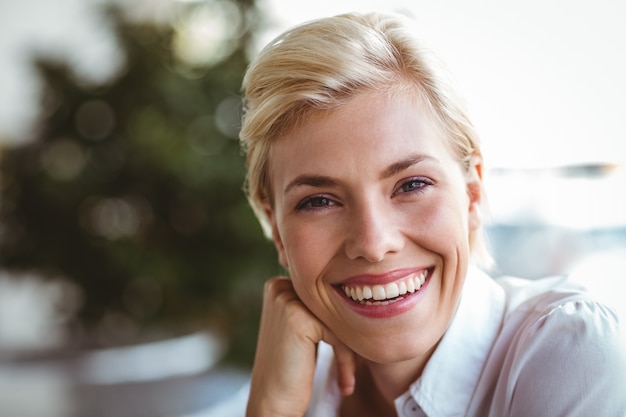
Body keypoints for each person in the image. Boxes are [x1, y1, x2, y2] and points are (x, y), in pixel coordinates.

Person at [238, 11, 626, 417]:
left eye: (412, 185)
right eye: (319, 201)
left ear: (472, 194)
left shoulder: (571, 354)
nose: (373, 243)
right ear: (278, 232)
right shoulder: (297, 383)